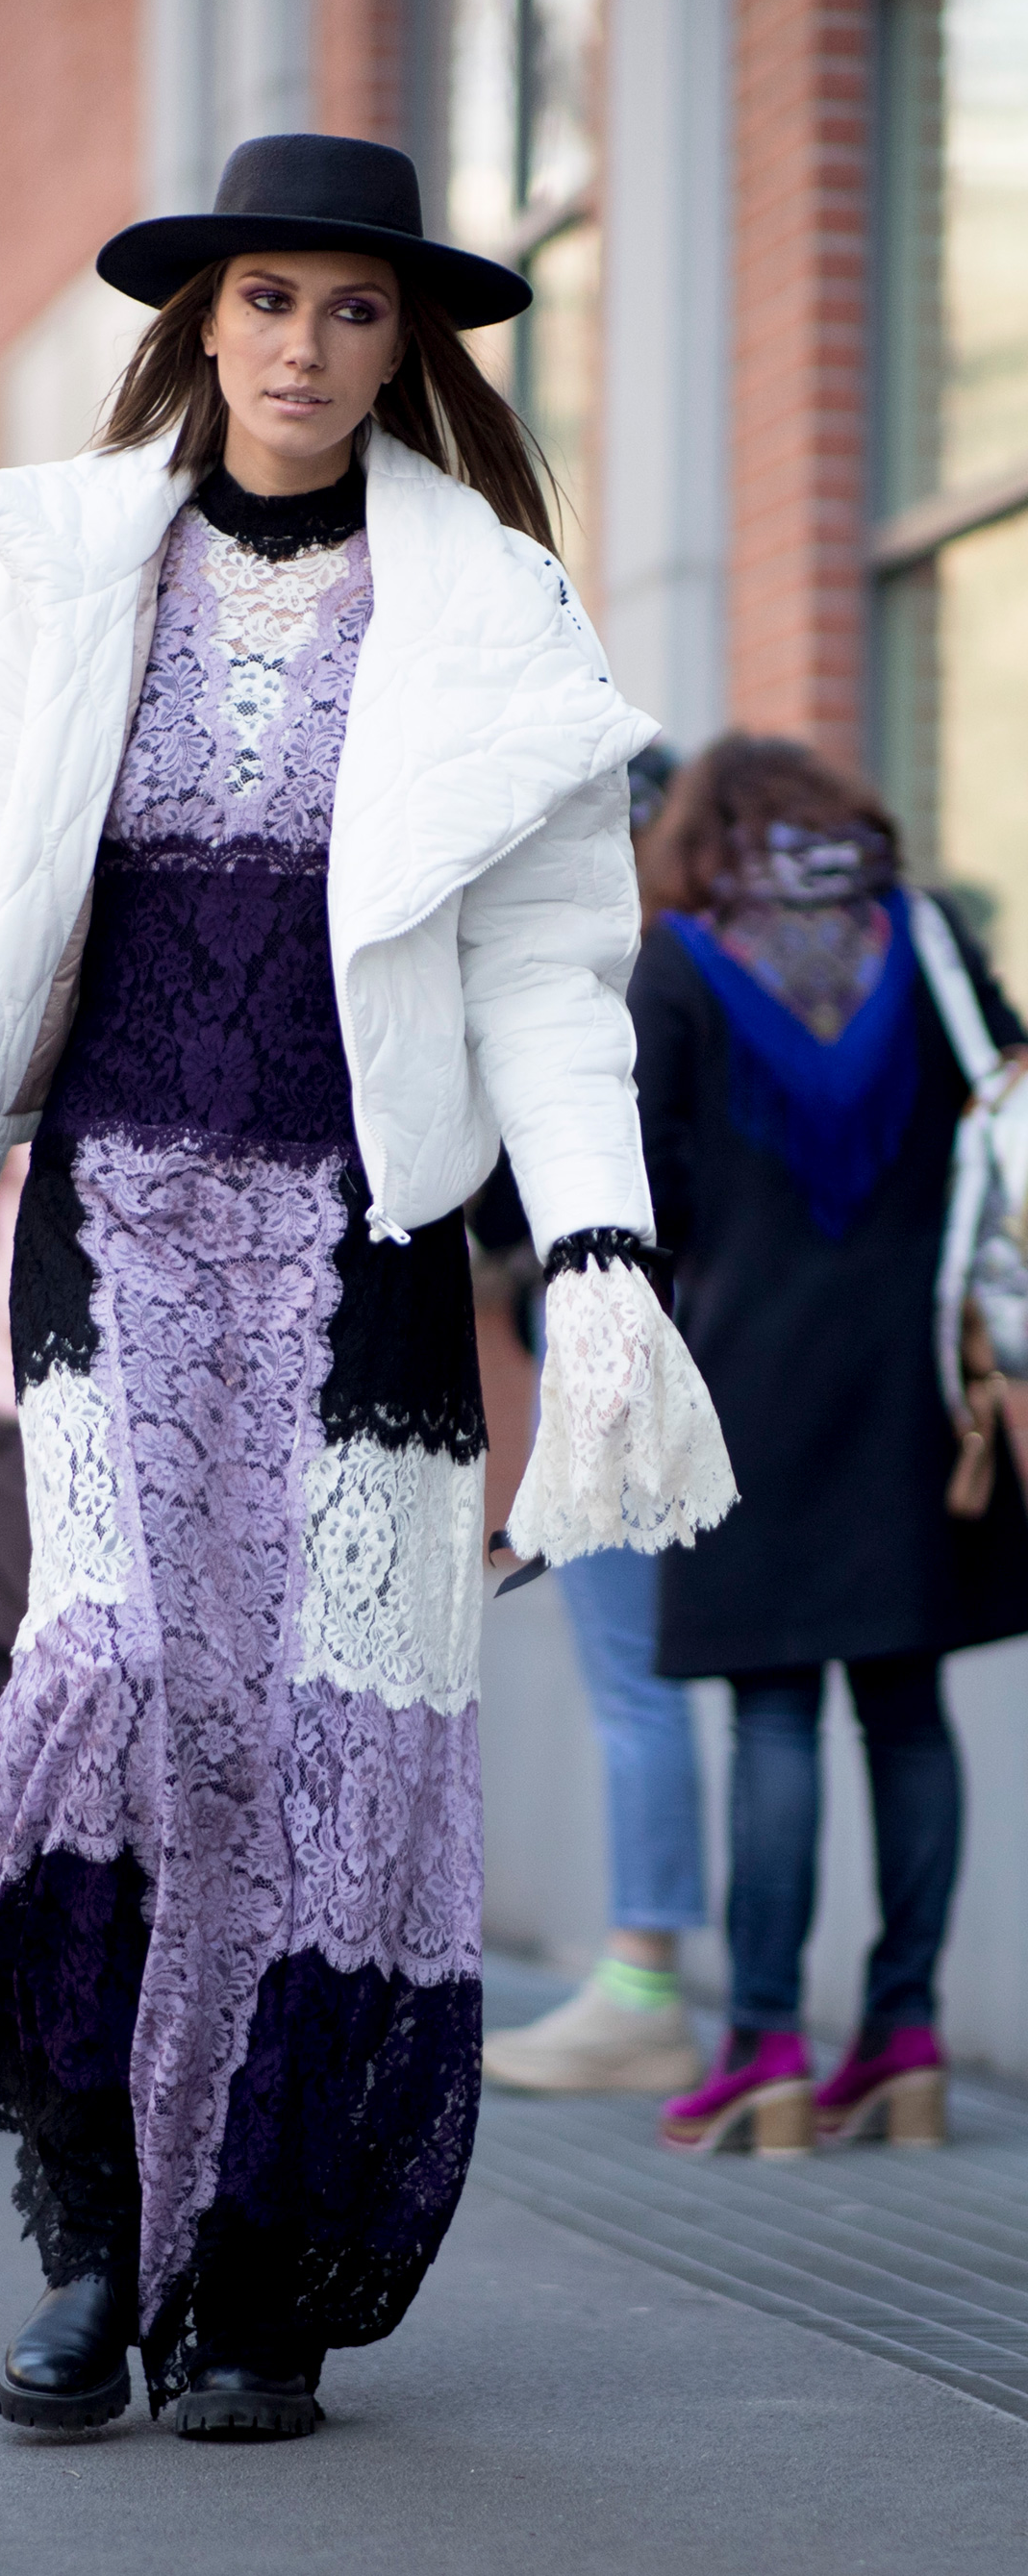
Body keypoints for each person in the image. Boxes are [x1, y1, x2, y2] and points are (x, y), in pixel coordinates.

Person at [0, 133, 733, 2438]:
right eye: (270, 299)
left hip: (368, 1252)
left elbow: (550, 972)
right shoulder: (56, 577)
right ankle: (98, 2250)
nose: (307, 345)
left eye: (355, 307)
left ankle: (260, 2283)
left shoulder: (492, 605)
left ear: (408, 347)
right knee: (110, 1690)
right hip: (112, 1231)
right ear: (202, 323)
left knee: (332, 1748)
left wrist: (599, 1249)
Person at [631, 733, 1028, 2155]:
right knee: (907, 1711)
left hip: (750, 1389)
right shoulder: (927, 937)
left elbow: (647, 1190)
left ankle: (768, 2051)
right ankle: (905, 2035)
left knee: (776, 1714)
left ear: (705, 834)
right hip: (922, 1384)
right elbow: (1002, 1104)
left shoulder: (682, 962)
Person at [484, 742, 706, 2098]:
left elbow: (531, 1192)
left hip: (622, 1346)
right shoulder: (749, 968)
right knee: (811, 1698)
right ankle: (815, 2024)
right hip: (791, 1362)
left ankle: (644, 1988)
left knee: (639, 1683)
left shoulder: (612, 976)